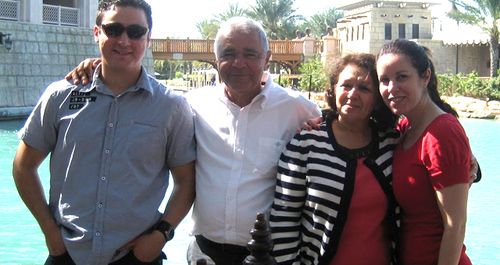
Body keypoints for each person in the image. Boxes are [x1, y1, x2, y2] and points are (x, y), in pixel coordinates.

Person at [65, 16, 322, 265]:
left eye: (250, 54)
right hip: (205, 252)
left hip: (268, 253)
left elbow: (340, 135)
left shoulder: (298, 109)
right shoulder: (192, 104)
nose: (238, 63)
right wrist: (102, 66)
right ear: (216, 59)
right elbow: (145, 94)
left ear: (267, 58)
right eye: (229, 53)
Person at [12, 0, 195, 265]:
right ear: (97, 32)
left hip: (137, 256)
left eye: (135, 32)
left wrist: (162, 234)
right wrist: (49, 231)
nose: (124, 40)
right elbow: (23, 166)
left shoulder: (172, 106)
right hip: (67, 253)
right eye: (113, 29)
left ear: (148, 37)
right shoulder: (60, 96)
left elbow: (186, 182)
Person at [270, 53, 400, 265]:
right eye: (346, 85)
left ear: (377, 98)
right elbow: (283, 220)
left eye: (364, 88)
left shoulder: (391, 143)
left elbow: (432, 163)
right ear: (333, 90)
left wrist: (471, 167)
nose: (353, 94)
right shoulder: (306, 143)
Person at [376, 39, 473, 265]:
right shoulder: (404, 128)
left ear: (425, 76)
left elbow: (455, 226)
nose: (391, 88)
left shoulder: (442, 133)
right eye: (384, 80)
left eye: (402, 77)